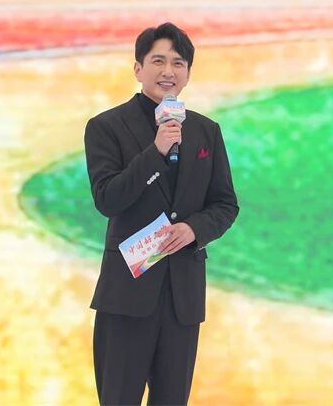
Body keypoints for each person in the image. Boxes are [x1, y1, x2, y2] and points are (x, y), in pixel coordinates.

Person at [84, 21, 239, 405]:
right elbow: (107, 199)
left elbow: (225, 203)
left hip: (182, 297)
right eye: (158, 61)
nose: (168, 71)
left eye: (178, 63)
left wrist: (194, 229)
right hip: (127, 294)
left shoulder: (205, 131)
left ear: (188, 73)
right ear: (138, 69)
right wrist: (155, 152)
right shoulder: (106, 127)